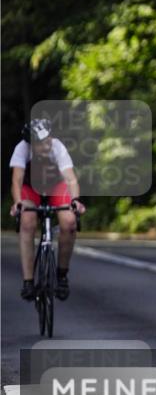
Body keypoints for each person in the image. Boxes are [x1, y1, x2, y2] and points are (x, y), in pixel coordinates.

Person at [8, 118, 86, 301]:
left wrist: (75, 200)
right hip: (31, 188)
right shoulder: (22, 149)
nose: (46, 146)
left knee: (69, 221)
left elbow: (71, 179)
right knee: (27, 221)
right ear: (30, 144)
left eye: (47, 140)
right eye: (40, 144)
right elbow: (17, 180)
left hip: (55, 186)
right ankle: (28, 281)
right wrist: (18, 202)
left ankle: (61, 275)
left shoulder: (57, 147)